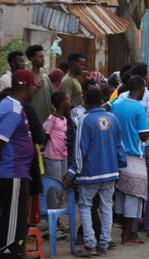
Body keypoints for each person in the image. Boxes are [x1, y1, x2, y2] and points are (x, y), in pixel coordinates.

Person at [64, 88, 126, 256]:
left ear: (86, 102)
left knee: (85, 206)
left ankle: (90, 244)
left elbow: (80, 149)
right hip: (110, 171)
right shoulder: (113, 119)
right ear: (101, 100)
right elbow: (120, 145)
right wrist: (120, 164)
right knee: (106, 208)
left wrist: (72, 171)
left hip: (90, 173)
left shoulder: (85, 120)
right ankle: (104, 243)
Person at [118, 63, 149, 238]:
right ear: (145, 80)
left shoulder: (120, 98)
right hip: (146, 147)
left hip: (122, 150)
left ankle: (130, 228)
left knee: (126, 190)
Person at [0, 70, 35, 258]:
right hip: (11, 173)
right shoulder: (13, 109)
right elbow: (1, 140)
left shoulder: (10, 105)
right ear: (27, 87)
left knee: (14, 221)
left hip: (16, 172)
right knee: (12, 225)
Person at [112, 75, 149, 244]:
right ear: (140, 89)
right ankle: (128, 234)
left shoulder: (116, 103)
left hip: (117, 155)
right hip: (134, 156)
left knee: (120, 194)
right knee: (135, 196)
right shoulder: (139, 108)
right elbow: (143, 136)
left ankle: (124, 233)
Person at [42, 92, 71, 210]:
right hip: (53, 156)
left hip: (63, 155)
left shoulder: (64, 118)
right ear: (60, 103)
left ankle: (58, 213)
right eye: (67, 99)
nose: (69, 102)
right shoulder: (52, 119)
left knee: (62, 184)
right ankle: (52, 214)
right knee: (54, 185)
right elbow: (45, 134)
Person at [26, 45, 54, 124]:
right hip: (33, 121)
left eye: (43, 56)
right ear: (32, 59)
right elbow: (24, 100)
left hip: (47, 122)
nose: (43, 59)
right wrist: (35, 88)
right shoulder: (27, 77)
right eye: (40, 57)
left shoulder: (46, 77)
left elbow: (52, 98)